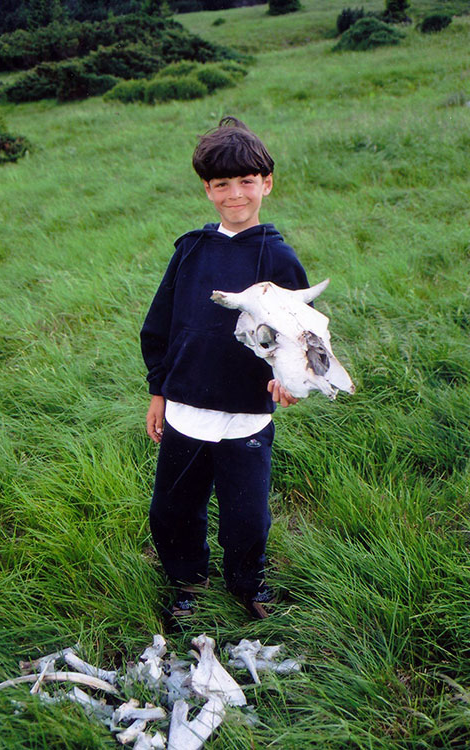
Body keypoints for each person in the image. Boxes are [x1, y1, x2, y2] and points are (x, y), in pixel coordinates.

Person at [140, 116, 310, 622]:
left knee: (246, 515)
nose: (235, 194)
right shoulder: (191, 249)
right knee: (173, 509)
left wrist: (289, 380)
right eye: (221, 184)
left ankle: (248, 583)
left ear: (267, 184)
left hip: (246, 416)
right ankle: (187, 582)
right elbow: (161, 324)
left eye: (246, 181)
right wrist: (158, 391)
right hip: (187, 407)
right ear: (207, 189)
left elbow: (299, 340)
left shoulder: (279, 259)